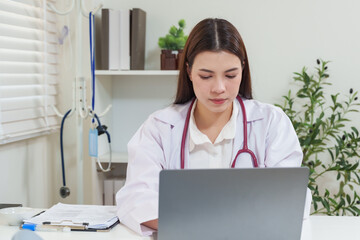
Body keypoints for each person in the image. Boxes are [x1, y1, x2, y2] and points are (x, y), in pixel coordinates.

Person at [116, 18, 311, 236]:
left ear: (243, 70)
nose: (219, 88)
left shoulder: (271, 123)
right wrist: (204, 227)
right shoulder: (160, 127)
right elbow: (136, 199)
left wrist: (203, 222)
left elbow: (291, 198)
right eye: (206, 76)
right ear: (189, 72)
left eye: (230, 75)